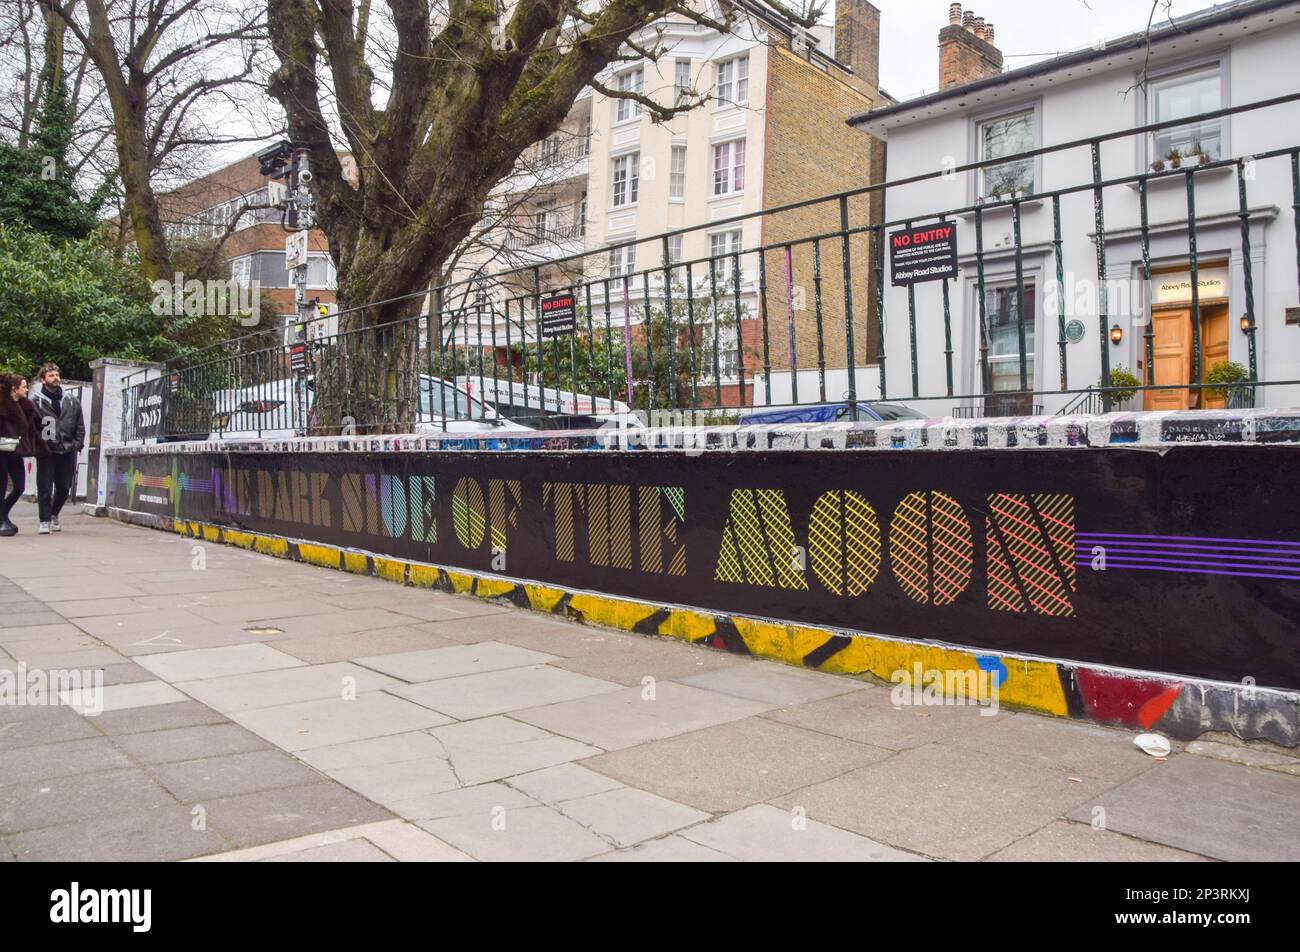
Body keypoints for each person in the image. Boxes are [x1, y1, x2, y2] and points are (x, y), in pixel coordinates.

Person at [29, 363, 84, 534]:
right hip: (46, 451)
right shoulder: (35, 402)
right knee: (44, 487)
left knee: (64, 487)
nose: (56, 378)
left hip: (67, 449)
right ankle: (44, 520)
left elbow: (80, 425)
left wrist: (77, 444)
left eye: (57, 375)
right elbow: (32, 428)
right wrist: (38, 446)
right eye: (51, 375)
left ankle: (53, 514)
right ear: (43, 379)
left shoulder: (71, 401)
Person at [0, 373, 46, 536]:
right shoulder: (3, 405)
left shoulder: (25, 406)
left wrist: (42, 449)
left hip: (16, 451)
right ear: (14, 388)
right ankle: (1, 521)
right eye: (24, 386)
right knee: (2, 486)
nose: (27, 389)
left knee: (19, 486)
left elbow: (32, 431)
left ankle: (3, 515)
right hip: (1, 451)